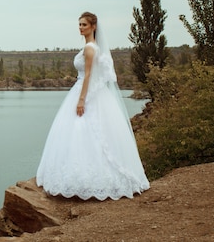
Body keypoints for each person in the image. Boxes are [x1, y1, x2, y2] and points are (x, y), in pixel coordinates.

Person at [36, 12, 150, 200]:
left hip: (85, 91)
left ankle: (89, 180)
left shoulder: (90, 48)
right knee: (86, 133)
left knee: (83, 131)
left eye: (84, 25)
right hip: (88, 90)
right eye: (79, 24)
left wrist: (82, 100)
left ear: (93, 27)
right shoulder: (94, 47)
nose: (81, 28)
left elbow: (88, 75)